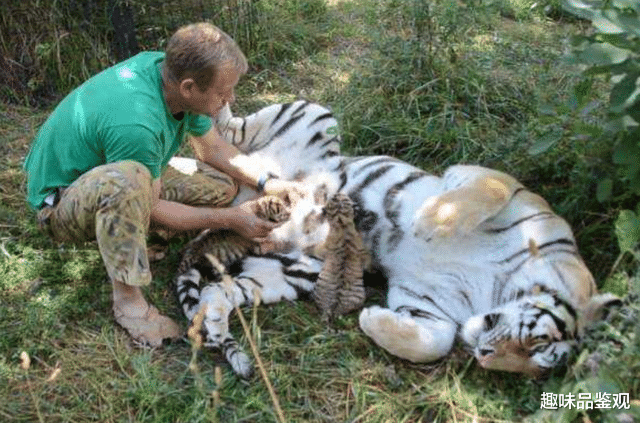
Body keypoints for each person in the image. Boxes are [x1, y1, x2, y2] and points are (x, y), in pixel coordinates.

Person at [24, 22, 301, 347]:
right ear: (188, 88)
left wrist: (268, 182)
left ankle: (144, 233)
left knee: (221, 186)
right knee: (128, 182)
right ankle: (128, 301)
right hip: (60, 202)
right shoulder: (137, 123)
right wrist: (232, 219)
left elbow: (211, 148)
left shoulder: (171, 72)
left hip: (115, 171)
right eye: (223, 93)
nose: (230, 99)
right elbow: (150, 204)